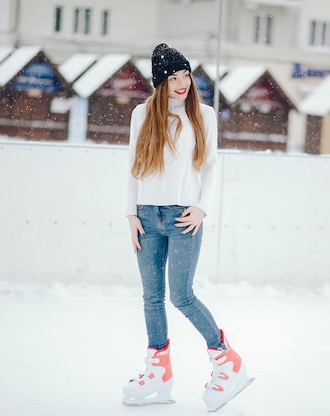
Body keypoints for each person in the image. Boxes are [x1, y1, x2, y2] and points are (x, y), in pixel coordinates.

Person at [123, 43, 254, 412]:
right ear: (160, 82)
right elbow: (133, 166)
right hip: (147, 216)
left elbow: (210, 166)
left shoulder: (204, 115)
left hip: (183, 217)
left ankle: (228, 361)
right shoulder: (142, 114)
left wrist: (202, 208)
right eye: (172, 77)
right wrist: (130, 214)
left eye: (185, 75)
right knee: (151, 298)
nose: (181, 83)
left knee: (181, 295)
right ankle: (159, 373)